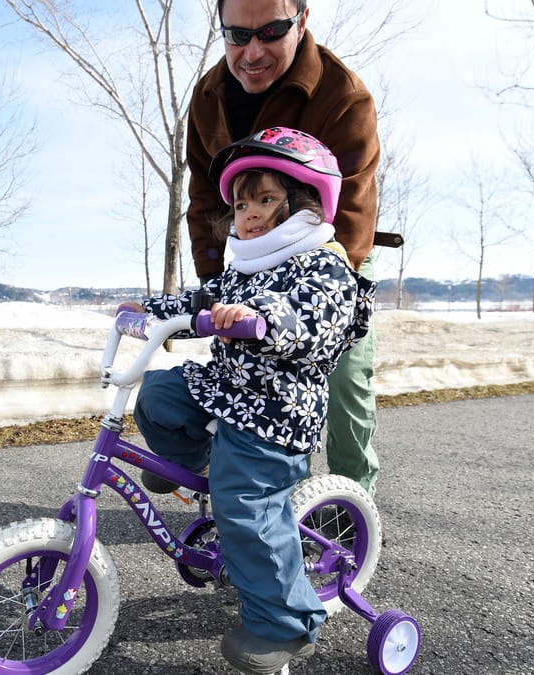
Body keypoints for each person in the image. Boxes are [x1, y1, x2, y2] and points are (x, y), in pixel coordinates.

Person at [122, 127, 376, 674]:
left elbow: (314, 320)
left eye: (266, 200)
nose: (251, 215)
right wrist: (150, 309)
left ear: (306, 203)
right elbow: (202, 298)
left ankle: (287, 625)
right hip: (228, 391)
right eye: (242, 204)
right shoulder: (244, 267)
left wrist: (266, 318)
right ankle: (193, 464)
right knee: (160, 393)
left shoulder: (324, 267)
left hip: (275, 414)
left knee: (247, 504)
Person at [187, 0, 382, 496]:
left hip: (330, 253)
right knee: (237, 369)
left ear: (302, 21)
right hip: (250, 254)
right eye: (236, 35)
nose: (252, 52)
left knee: (343, 383)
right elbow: (206, 197)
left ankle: (347, 505)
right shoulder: (209, 96)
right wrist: (217, 290)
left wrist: (328, 302)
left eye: (271, 32)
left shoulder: (342, 94)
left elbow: (352, 209)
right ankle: (226, 468)